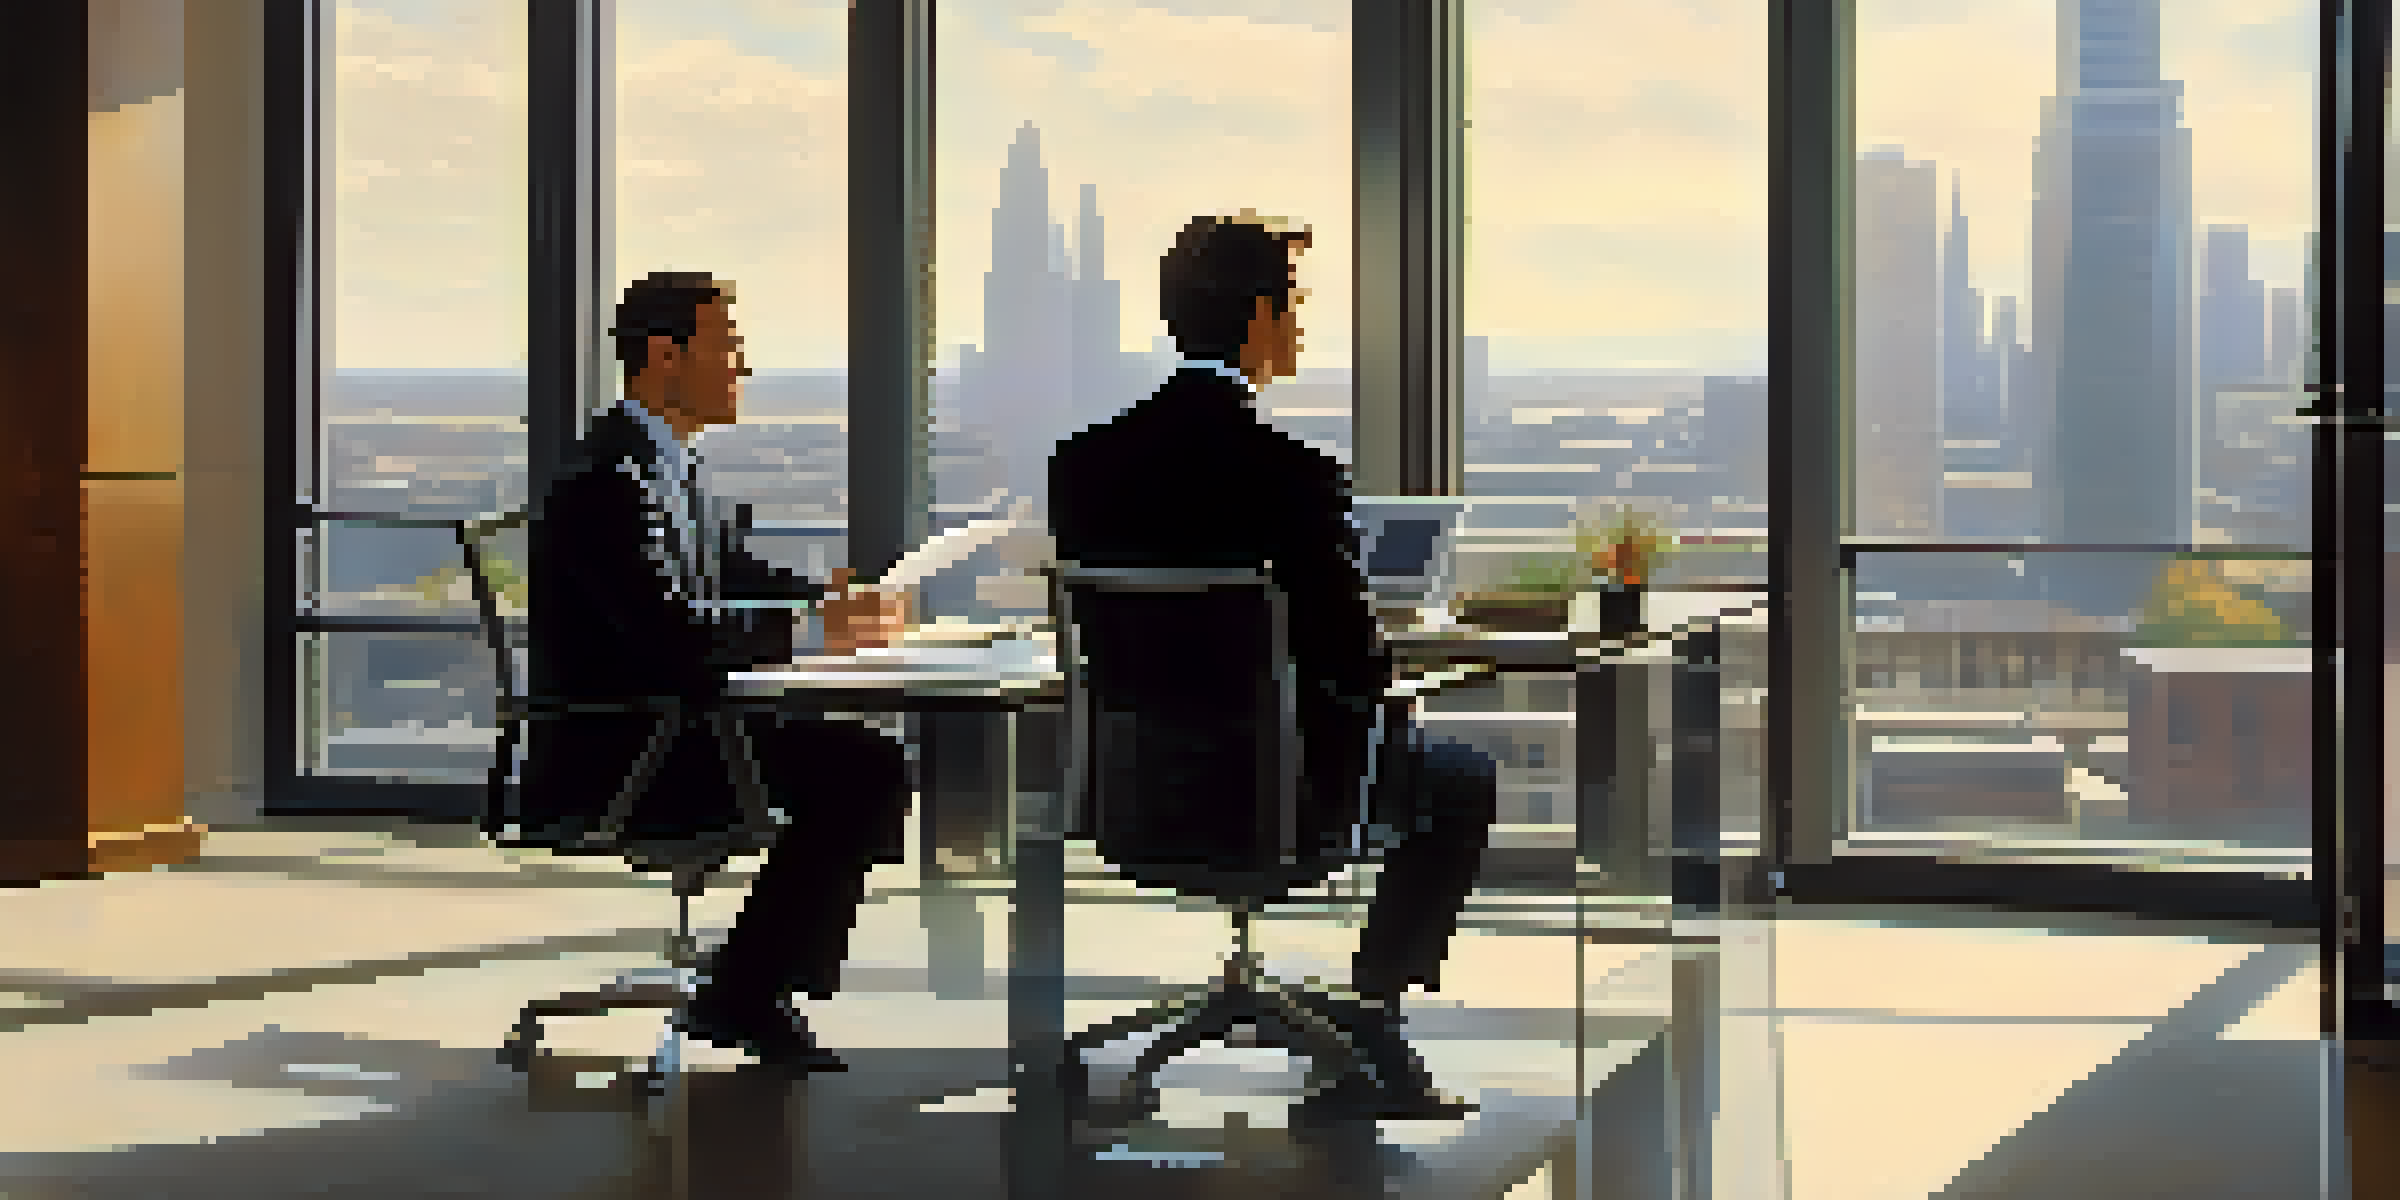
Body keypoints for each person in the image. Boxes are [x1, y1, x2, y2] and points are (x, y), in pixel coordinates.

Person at [1046, 212, 1498, 1121]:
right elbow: (1355, 665)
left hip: (1137, 799)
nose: (1300, 321)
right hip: (1284, 800)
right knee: (1461, 777)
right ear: (1258, 316)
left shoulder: (1083, 467)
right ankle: (1374, 1015)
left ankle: (1360, 1018)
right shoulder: (1294, 476)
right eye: (1295, 299)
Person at [511, 271, 914, 1072]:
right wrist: (809, 628)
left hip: (672, 728)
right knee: (863, 770)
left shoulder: (662, 464)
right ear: (666, 356)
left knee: (863, 763)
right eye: (728, 347)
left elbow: (728, 571)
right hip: (628, 753)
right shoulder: (609, 482)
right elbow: (674, 632)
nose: (743, 369)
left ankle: (752, 988)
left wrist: (832, 606)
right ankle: (748, 994)